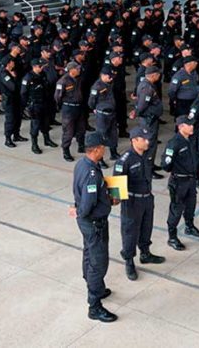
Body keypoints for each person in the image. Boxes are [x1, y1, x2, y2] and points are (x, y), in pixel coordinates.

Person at [71, 132, 119, 323]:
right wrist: (81, 213)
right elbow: (88, 203)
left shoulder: (83, 164)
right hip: (94, 223)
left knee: (88, 254)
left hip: (89, 222)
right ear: (97, 149)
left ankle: (95, 287)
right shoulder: (92, 173)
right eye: (103, 147)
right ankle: (94, 305)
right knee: (98, 263)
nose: (105, 150)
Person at [114, 127, 166, 281]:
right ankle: (129, 261)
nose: (147, 141)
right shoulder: (124, 160)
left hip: (147, 198)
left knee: (146, 227)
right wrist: (120, 201)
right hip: (132, 201)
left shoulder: (146, 156)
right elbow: (116, 186)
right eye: (144, 139)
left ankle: (145, 253)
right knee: (130, 231)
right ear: (134, 140)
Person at [161, 116, 199, 251]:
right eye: (189, 125)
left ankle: (189, 226)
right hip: (179, 181)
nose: (192, 127)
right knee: (176, 209)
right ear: (181, 127)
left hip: (190, 180)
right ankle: (172, 237)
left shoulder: (190, 139)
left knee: (191, 205)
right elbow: (166, 165)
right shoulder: (174, 143)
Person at [21, 59, 59, 154]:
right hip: (34, 105)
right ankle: (34, 144)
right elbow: (23, 93)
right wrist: (26, 106)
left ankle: (47, 140)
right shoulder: (28, 78)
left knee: (46, 123)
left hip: (44, 103)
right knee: (35, 125)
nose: (42, 68)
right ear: (34, 67)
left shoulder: (43, 75)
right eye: (40, 66)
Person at [135, 66, 164, 179]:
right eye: (157, 75)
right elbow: (142, 106)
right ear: (153, 75)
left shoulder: (148, 85)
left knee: (153, 143)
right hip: (148, 120)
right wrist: (137, 112)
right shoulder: (147, 88)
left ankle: (150, 164)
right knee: (149, 144)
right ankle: (148, 169)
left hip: (151, 119)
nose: (159, 76)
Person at [55, 61, 86, 161]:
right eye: (77, 69)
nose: (79, 70)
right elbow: (57, 97)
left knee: (81, 128)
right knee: (68, 131)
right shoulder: (63, 81)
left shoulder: (79, 78)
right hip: (68, 108)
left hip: (79, 107)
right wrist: (63, 106)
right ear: (72, 70)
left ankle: (81, 145)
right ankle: (66, 150)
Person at [88, 68, 118, 165]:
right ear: (103, 75)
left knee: (113, 134)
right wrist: (96, 108)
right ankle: (100, 159)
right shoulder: (97, 87)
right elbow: (91, 102)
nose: (111, 79)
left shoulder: (109, 83)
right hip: (102, 115)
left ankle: (114, 153)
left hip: (112, 113)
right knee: (101, 136)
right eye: (109, 77)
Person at [0, 57, 26, 147]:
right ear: (8, 63)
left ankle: (16, 135)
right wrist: (14, 78)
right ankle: (8, 139)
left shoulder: (12, 71)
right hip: (9, 100)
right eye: (11, 62)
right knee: (10, 119)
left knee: (18, 117)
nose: (13, 63)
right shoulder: (4, 74)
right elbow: (13, 87)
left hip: (16, 98)